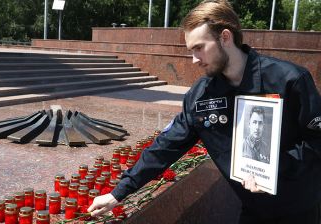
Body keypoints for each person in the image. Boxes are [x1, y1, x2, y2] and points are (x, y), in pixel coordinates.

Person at [88, 1, 321, 223]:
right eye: (191, 50)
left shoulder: (289, 80)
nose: (193, 59)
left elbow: (316, 141)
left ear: (225, 37)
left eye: (199, 48)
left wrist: (275, 168)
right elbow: (166, 146)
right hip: (254, 209)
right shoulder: (201, 96)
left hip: (299, 207)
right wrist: (118, 193)